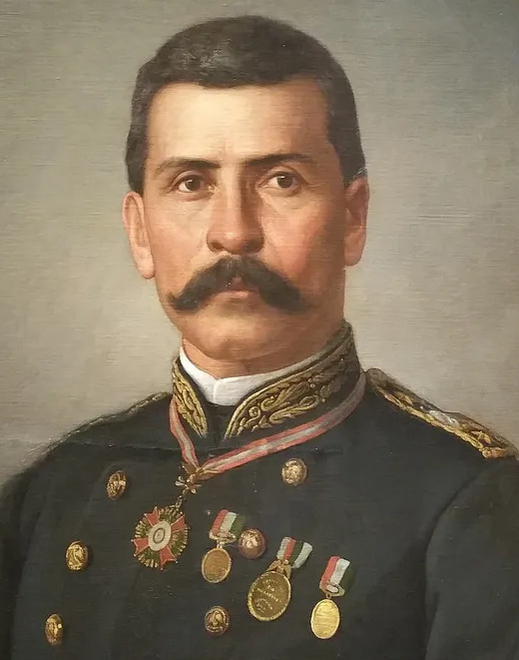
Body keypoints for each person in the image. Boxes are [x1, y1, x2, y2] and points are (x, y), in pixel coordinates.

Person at [1, 14, 518, 660]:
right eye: (191, 183)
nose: (234, 232)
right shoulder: (56, 487)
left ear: (352, 218)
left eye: (281, 181)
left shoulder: (467, 501)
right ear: (139, 232)